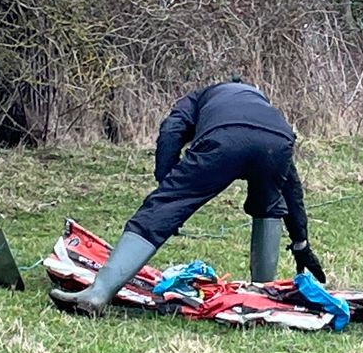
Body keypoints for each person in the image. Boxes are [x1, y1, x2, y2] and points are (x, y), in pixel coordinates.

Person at [50, 80, 326, 316]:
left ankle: (97, 294)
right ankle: (261, 296)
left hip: (224, 139)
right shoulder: (263, 108)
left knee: (160, 210)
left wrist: (167, 188)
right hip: (278, 141)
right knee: (268, 205)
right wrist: (300, 241)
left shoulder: (197, 98)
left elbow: (171, 131)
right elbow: (291, 189)